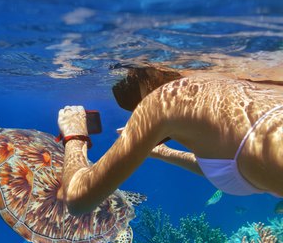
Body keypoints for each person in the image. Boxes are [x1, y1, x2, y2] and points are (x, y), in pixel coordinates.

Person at [57, 72, 283, 215]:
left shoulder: (164, 99)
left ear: (141, 77)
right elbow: (232, 165)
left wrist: (75, 135)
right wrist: (164, 152)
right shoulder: (245, 78)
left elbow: (79, 201)